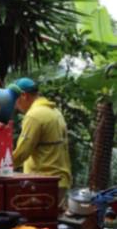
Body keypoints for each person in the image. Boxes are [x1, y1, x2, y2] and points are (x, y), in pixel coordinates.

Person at [12, 77, 72, 206]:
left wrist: (0, 168)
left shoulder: (34, 115)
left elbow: (21, 153)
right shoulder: (54, 111)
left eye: (15, 100)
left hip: (44, 182)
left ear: (24, 95)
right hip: (60, 181)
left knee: (35, 223)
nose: (15, 105)